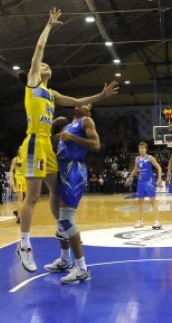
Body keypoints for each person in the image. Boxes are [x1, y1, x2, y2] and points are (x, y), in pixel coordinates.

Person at [16, 8, 119, 273]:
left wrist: (101, 95)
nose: (46, 66)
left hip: (46, 146)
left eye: (49, 66)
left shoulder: (51, 94)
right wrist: (49, 25)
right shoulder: (33, 84)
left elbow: (78, 102)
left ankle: (62, 232)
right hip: (33, 143)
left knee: (57, 192)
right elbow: (38, 50)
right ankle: (24, 244)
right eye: (43, 65)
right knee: (34, 195)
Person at [44, 104, 100, 283]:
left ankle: (82, 269)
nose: (82, 103)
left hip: (74, 169)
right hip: (61, 168)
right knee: (60, 222)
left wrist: (73, 138)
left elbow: (96, 145)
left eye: (87, 104)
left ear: (88, 111)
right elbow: (49, 143)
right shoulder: (66, 127)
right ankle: (65, 259)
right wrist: (53, 127)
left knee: (66, 221)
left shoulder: (86, 121)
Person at [124, 142, 163, 229]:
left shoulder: (150, 158)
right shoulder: (137, 159)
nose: (141, 149)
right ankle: (140, 221)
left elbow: (159, 167)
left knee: (153, 201)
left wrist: (159, 178)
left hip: (149, 182)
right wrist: (129, 178)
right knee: (140, 202)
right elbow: (135, 170)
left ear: (146, 149)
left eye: (143, 148)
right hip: (140, 182)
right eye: (140, 148)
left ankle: (157, 221)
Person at [9, 153, 27, 223]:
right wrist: (11, 180)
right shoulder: (15, 159)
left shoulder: (26, 159)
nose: (21, 149)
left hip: (25, 180)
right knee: (20, 197)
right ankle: (19, 216)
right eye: (20, 148)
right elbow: (11, 170)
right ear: (18, 151)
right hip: (18, 179)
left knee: (27, 198)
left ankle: (18, 211)